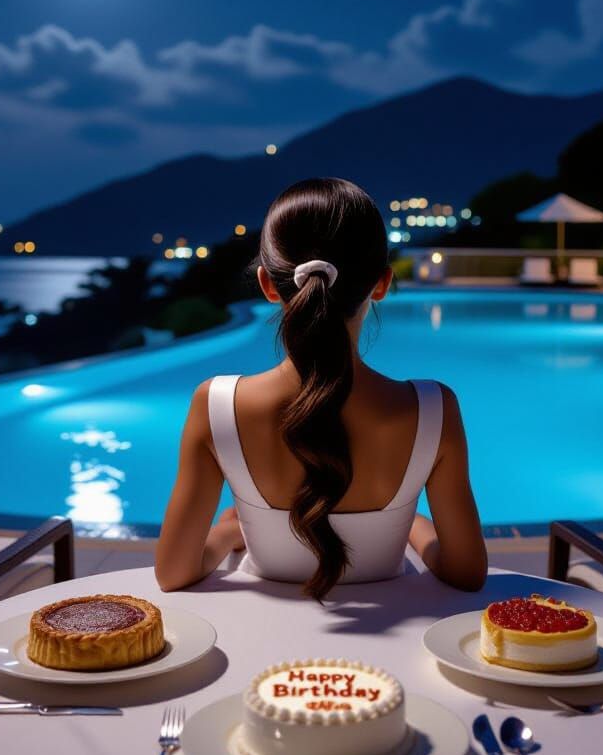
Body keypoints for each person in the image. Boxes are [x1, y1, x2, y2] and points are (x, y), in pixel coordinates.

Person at [155, 177, 487, 597]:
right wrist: (412, 526)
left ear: (267, 284)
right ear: (382, 283)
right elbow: (466, 571)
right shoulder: (432, 409)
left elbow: (173, 573)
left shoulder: (217, 404)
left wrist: (231, 532)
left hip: (259, 633)